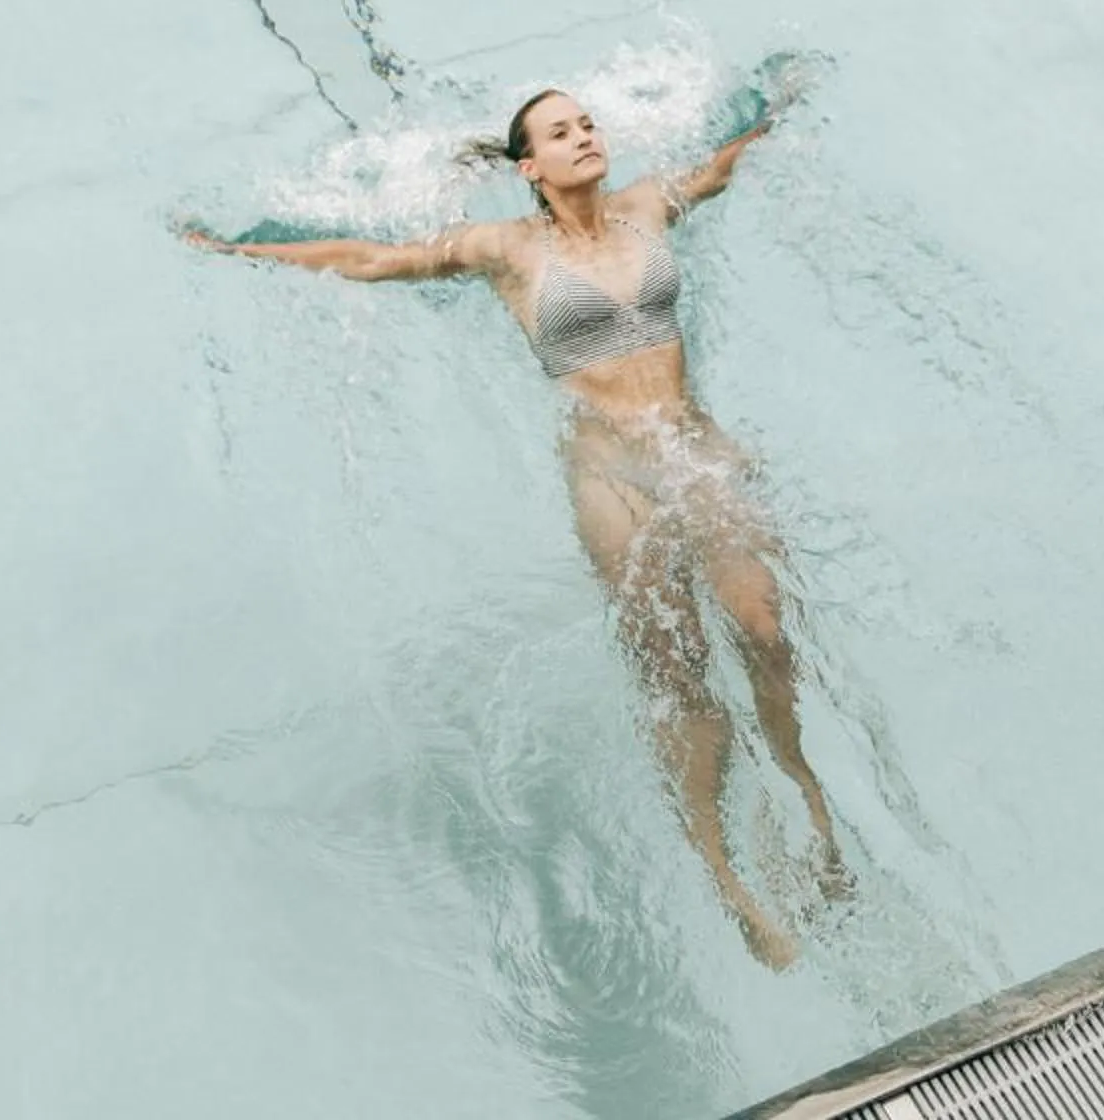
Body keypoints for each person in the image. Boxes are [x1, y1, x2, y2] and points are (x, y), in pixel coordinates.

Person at [187, 85, 844, 966]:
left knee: (766, 632)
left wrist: (773, 109)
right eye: (561, 133)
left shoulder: (649, 205)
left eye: (588, 124)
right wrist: (241, 248)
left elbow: (719, 166)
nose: (584, 137)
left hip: (695, 448)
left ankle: (807, 799)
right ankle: (727, 877)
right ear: (529, 169)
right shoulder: (508, 249)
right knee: (682, 679)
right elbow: (375, 259)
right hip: (612, 476)